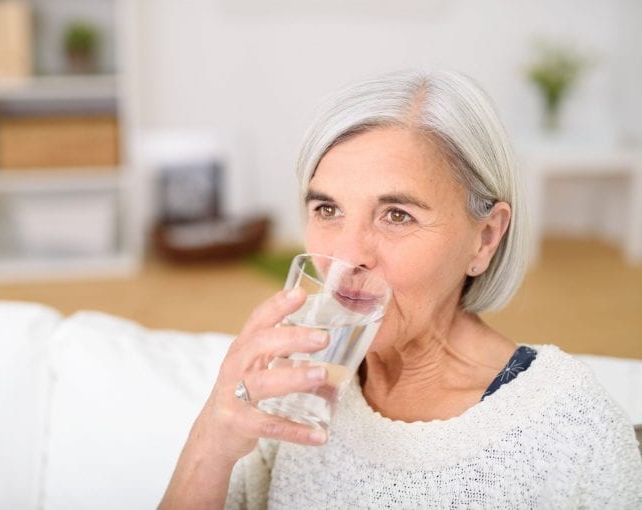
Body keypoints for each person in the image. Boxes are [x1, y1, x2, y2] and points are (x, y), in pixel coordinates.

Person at [160, 70, 642, 509]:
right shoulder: (286, 389)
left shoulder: (569, 428)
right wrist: (211, 439)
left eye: (397, 215)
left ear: (486, 237)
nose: (348, 256)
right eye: (328, 210)